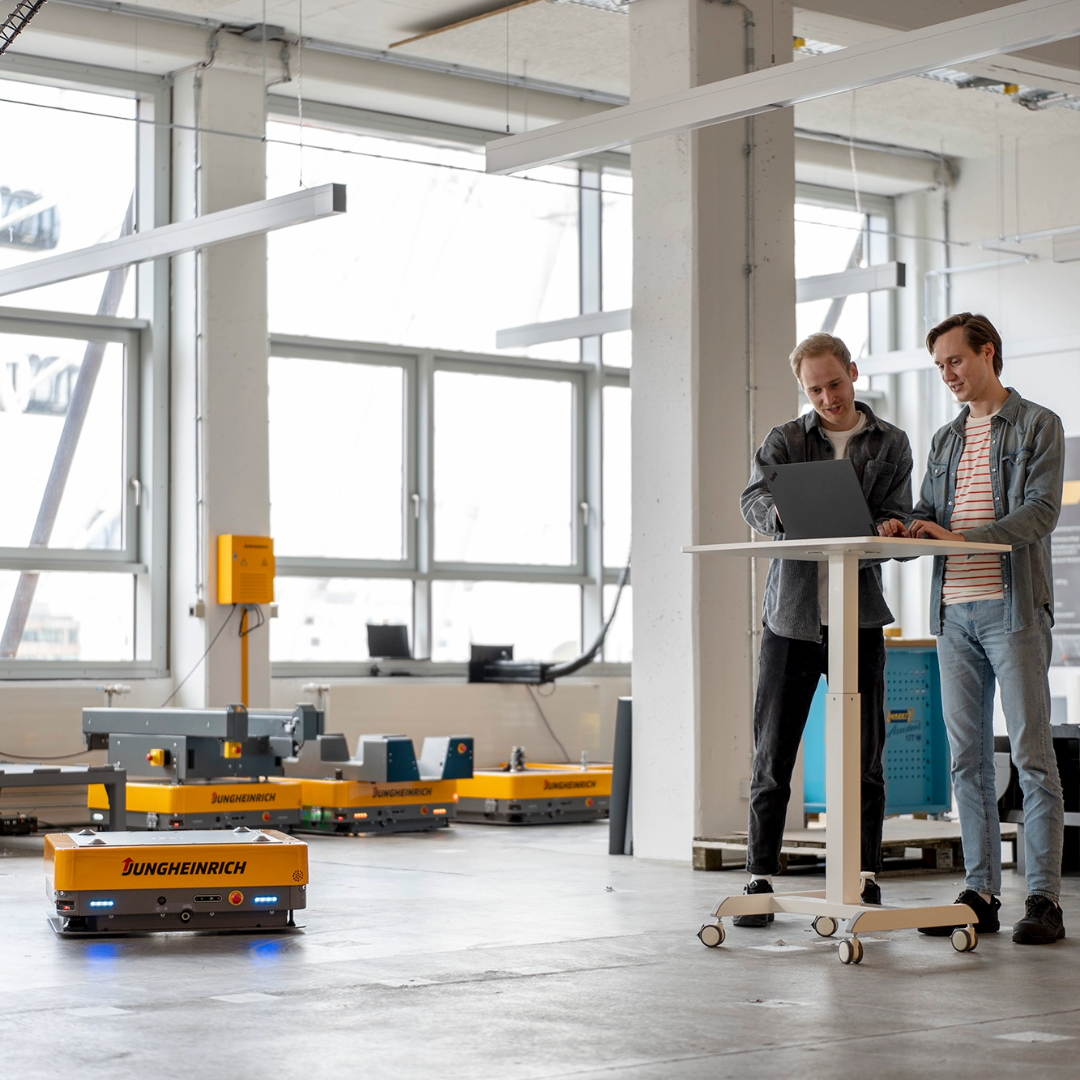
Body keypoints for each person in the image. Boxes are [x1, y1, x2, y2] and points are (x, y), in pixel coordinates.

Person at [881, 312, 1066, 944]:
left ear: (988, 353)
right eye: (938, 367)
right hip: (952, 614)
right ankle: (980, 892)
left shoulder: (1039, 424)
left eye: (955, 361)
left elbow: (1039, 514)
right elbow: (930, 516)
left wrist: (959, 537)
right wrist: (904, 528)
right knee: (967, 762)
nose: (948, 375)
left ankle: (1042, 899)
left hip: (1012, 611)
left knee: (1032, 759)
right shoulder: (943, 440)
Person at [736, 332, 913, 925]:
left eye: (835, 384)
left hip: (857, 616)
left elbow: (902, 513)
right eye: (814, 389)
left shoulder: (891, 443)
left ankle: (863, 875)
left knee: (865, 753)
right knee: (773, 747)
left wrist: (892, 527)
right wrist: (781, 512)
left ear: (853, 373)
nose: (827, 398)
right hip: (791, 617)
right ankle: (760, 874)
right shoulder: (786, 440)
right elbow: (754, 498)